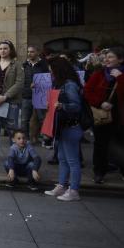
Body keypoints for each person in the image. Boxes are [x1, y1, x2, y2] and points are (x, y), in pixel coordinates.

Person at [84, 46, 124, 185]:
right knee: (101, 145)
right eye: (106, 57)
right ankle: (99, 172)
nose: (106, 59)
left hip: (123, 116)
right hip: (104, 115)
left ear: (121, 59)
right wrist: (100, 103)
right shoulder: (99, 74)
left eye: (110, 57)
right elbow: (87, 91)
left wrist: (121, 78)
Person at [45, 57, 85, 201]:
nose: (51, 74)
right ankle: (61, 185)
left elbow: (76, 106)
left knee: (72, 160)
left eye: (52, 71)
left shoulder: (69, 85)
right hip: (62, 126)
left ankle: (74, 190)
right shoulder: (61, 84)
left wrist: (62, 106)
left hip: (70, 126)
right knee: (62, 158)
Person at [21, 45, 49, 141]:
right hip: (27, 95)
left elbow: (48, 80)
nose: (29, 54)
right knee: (24, 120)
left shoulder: (44, 65)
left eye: (32, 51)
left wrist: (38, 84)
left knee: (42, 118)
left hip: (40, 95)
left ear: (37, 52)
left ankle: (46, 139)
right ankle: (26, 140)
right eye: (28, 52)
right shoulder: (24, 65)